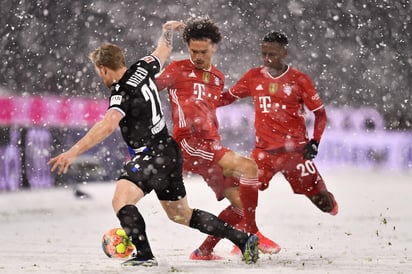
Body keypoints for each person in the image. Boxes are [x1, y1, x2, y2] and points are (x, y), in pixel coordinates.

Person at [47, 21, 260, 267]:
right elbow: (163, 50)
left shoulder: (120, 91)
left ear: (103, 69)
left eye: (98, 72)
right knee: (181, 214)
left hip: (150, 155)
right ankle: (243, 239)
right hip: (169, 151)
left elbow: (107, 125)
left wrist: (73, 151)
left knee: (121, 201)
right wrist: (167, 31)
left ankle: (145, 256)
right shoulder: (142, 67)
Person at [155, 17, 280, 260]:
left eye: (202, 51)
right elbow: (148, 87)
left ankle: (204, 251)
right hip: (189, 143)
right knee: (248, 167)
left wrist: (251, 90)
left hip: (211, 144)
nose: (198, 56)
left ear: (214, 47)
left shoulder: (217, 78)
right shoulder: (177, 69)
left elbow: (215, 102)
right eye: (193, 51)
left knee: (240, 205)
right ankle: (253, 233)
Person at [220, 31, 339, 220]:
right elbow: (227, 98)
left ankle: (329, 201)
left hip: (295, 153)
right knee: (242, 198)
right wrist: (204, 100)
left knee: (323, 204)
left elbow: (320, 114)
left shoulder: (299, 80)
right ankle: (239, 240)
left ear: (284, 53)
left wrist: (315, 141)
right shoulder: (253, 77)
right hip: (264, 153)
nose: (267, 59)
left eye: (272, 54)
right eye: (264, 54)